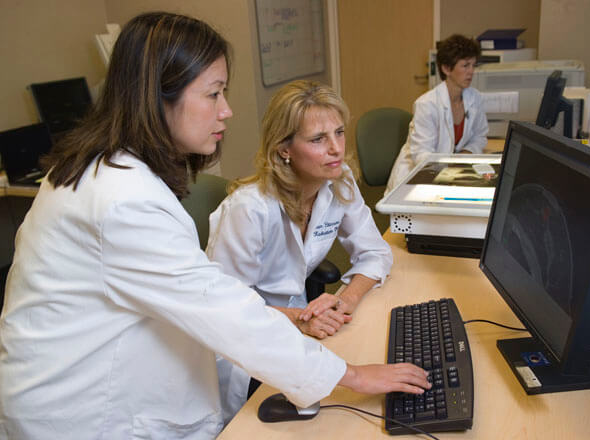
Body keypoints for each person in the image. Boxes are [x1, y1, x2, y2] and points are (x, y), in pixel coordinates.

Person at [0, 12, 429, 439]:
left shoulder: (107, 173)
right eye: (213, 94)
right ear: (156, 96)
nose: (227, 111)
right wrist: (352, 375)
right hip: (87, 413)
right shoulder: (122, 201)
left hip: (97, 381)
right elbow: (226, 310)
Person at [206, 80, 393, 419]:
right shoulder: (249, 209)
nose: (336, 149)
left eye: (339, 132)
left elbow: (376, 253)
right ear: (284, 149)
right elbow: (227, 309)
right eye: (319, 139)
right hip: (244, 344)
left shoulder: (338, 180)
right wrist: (299, 320)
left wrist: (343, 300)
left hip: (302, 324)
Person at [386, 34, 489, 194]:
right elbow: (422, 155)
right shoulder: (427, 104)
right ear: (446, 68)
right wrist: (451, 169)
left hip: (451, 174)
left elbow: (479, 137)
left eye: (473, 65)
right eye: (465, 65)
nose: (471, 72)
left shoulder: (474, 98)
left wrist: (463, 156)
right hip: (417, 177)